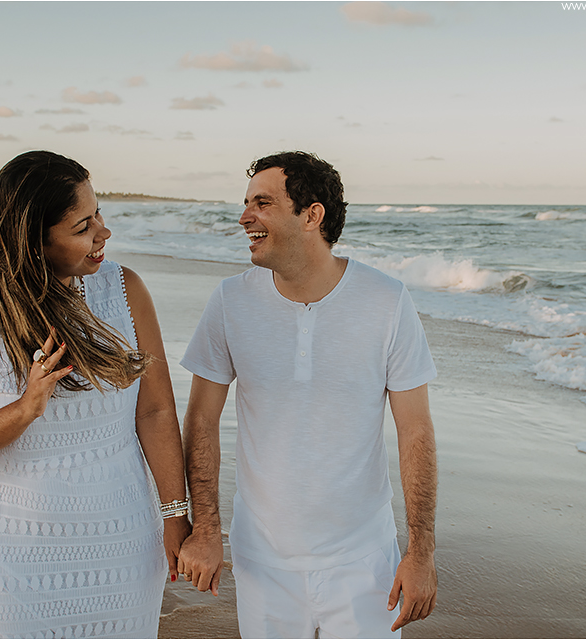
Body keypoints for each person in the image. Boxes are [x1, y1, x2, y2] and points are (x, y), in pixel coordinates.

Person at [0, 150, 190, 639]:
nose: (103, 232)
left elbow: (155, 409)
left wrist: (176, 516)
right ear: (33, 242)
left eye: (98, 214)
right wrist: (24, 410)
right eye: (83, 226)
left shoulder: (125, 291)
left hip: (119, 548)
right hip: (5, 562)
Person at [177, 151, 439, 638]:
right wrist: (206, 528)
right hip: (262, 560)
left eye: (263, 203)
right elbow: (200, 421)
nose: (244, 217)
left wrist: (419, 552)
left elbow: (416, 430)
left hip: (365, 561)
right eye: (246, 203)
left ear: (311, 215)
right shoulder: (231, 301)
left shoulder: (386, 300)